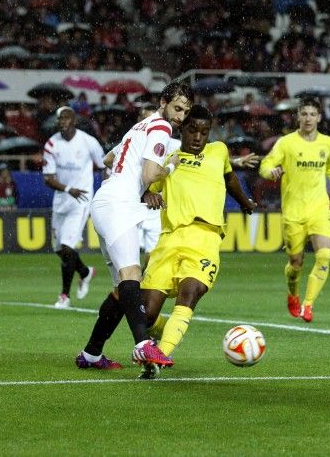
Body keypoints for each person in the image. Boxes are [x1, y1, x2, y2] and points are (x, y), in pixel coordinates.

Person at [75, 82, 194, 370]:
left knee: (121, 289)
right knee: (132, 274)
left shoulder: (139, 126)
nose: (180, 116)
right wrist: (173, 166)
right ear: (164, 101)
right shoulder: (161, 128)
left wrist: (138, 188)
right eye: (177, 108)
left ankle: (91, 354)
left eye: (185, 112)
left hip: (108, 200)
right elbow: (151, 172)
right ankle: (143, 345)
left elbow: (108, 159)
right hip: (118, 205)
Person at [138, 104, 256, 378]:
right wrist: (147, 195)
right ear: (182, 129)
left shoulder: (219, 151)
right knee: (147, 314)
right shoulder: (168, 158)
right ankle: (159, 333)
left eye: (204, 132)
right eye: (192, 130)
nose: (198, 137)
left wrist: (246, 202)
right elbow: (145, 187)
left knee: (190, 293)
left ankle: (159, 357)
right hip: (169, 239)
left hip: (205, 237)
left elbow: (229, 178)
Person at [259, 98, 330, 323]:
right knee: (296, 263)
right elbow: (265, 165)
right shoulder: (286, 143)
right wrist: (270, 173)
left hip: (319, 209)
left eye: (312, 114)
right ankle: (293, 294)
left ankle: (308, 305)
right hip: (293, 212)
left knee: (324, 255)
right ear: (298, 117)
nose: (308, 118)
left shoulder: (327, 143)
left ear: (319, 117)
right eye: (304, 114)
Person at [43, 107, 105, 309]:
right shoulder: (52, 144)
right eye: (60, 118)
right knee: (60, 250)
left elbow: (104, 165)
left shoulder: (88, 142)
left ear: (74, 121)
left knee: (68, 247)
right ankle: (85, 272)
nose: (63, 121)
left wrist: (105, 190)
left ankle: (64, 296)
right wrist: (68, 189)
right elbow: (48, 178)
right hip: (62, 200)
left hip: (81, 201)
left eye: (67, 118)